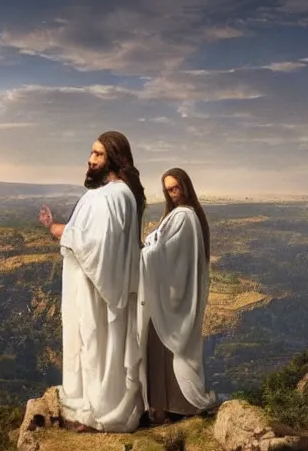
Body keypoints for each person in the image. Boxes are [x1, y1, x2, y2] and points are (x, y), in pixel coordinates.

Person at [38, 131, 147, 433]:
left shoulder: (109, 196)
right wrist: (58, 227)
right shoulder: (124, 195)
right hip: (100, 287)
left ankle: (98, 405)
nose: (90, 159)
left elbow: (96, 246)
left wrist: (59, 230)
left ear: (113, 156)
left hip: (94, 291)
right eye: (91, 152)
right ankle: (103, 400)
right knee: (101, 342)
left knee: (93, 341)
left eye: (98, 154)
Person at [138, 167, 217, 424]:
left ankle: (170, 407)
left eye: (176, 188)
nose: (173, 194)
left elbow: (163, 252)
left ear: (185, 186)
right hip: (173, 298)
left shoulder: (183, 217)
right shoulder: (189, 216)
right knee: (159, 348)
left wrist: (142, 249)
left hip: (170, 302)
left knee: (161, 347)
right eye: (168, 190)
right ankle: (164, 408)